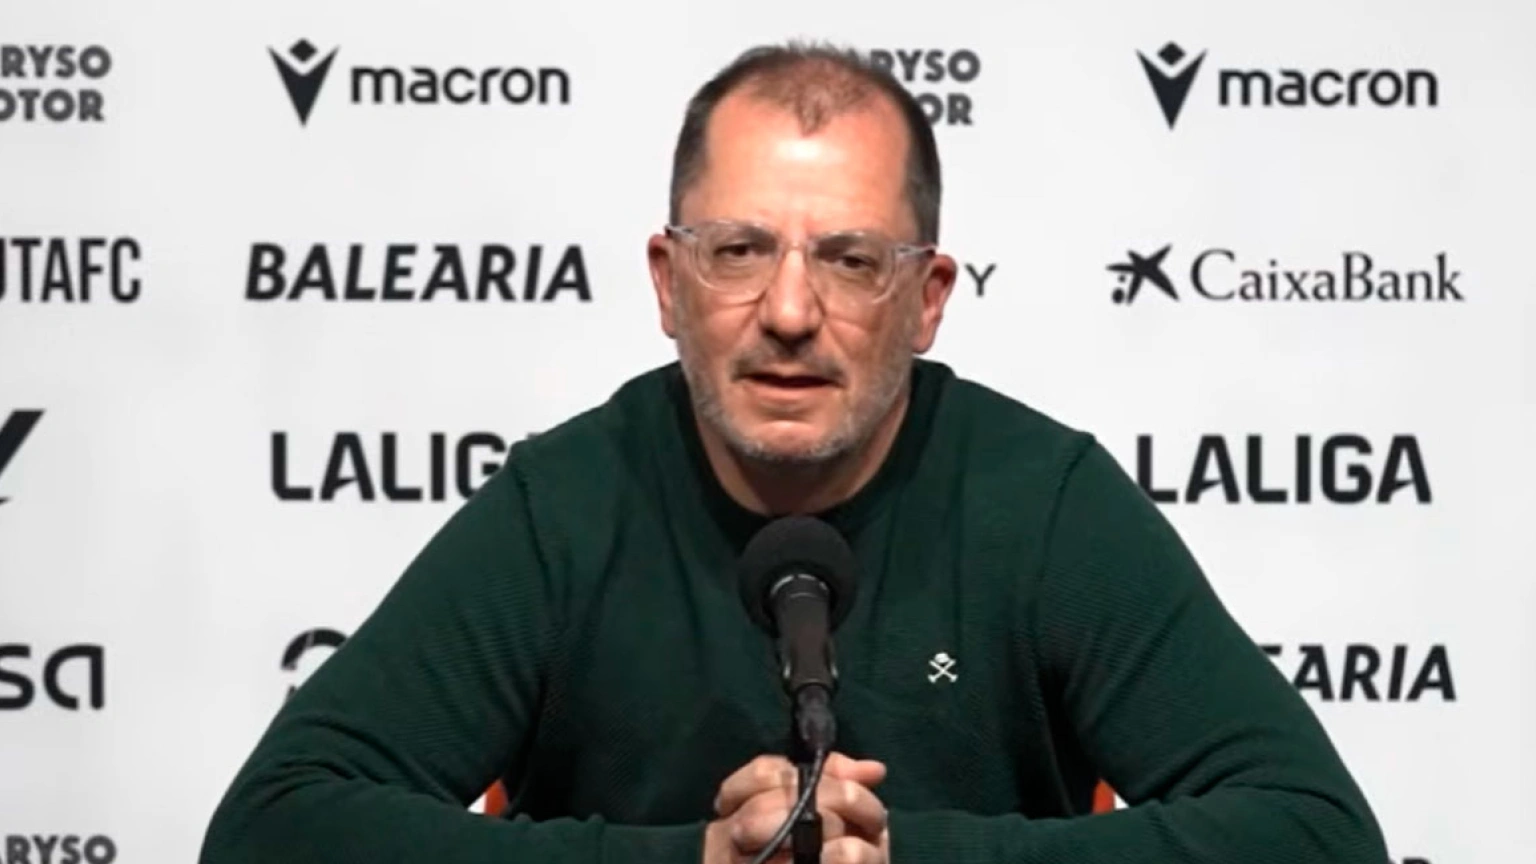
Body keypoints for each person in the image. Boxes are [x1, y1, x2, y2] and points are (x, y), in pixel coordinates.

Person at [200, 41, 1389, 864]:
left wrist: (912, 856)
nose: (786, 311)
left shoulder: (1043, 505)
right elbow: (271, 831)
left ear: (927, 300)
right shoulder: (564, 507)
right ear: (668, 283)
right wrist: (690, 862)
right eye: (737, 251)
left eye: (851, 260)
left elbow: (1318, 835)